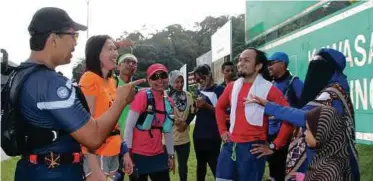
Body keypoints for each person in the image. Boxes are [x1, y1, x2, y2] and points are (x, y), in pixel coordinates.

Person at [14, 7, 142, 181]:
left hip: (35, 169)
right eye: (73, 35)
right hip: (54, 173)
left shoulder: (23, 73)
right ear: (53, 39)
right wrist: (121, 101)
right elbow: (93, 137)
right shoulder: (49, 83)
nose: (75, 42)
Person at [248, 48, 359, 181]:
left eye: (318, 65)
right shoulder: (335, 89)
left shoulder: (331, 95)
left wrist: (269, 106)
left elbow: (305, 118)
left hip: (326, 159)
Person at [215, 48, 294, 181]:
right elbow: (219, 107)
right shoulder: (232, 86)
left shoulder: (269, 88)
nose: (240, 63)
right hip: (230, 146)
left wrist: (274, 145)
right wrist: (222, 130)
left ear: (258, 66)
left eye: (246, 60)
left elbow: (289, 117)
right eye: (240, 60)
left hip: (253, 149)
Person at [79, 35, 125, 181]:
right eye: (110, 48)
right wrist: (94, 167)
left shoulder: (112, 81)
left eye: (115, 49)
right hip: (97, 154)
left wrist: (124, 151)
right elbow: (85, 125)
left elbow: (115, 120)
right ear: (97, 53)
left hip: (113, 151)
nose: (115, 53)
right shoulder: (89, 78)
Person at [124, 63, 175, 181]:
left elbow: (168, 131)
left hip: (158, 154)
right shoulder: (142, 97)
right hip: (138, 154)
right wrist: (128, 154)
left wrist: (171, 155)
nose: (160, 80)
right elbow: (129, 126)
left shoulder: (169, 102)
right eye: (155, 77)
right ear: (149, 80)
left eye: (163, 75)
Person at [267, 52, 304, 181]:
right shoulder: (270, 85)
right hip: (271, 135)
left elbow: (306, 107)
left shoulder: (295, 83)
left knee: (287, 172)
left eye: (271, 63)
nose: (269, 67)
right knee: (274, 171)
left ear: (282, 64)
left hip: (289, 137)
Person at [193, 64, 224, 181]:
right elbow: (198, 112)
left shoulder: (220, 90)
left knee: (215, 165)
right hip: (198, 134)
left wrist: (206, 105)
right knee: (200, 166)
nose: (199, 81)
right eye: (196, 79)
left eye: (201, 77)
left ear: (209, 75)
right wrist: (195, 108)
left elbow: (223, 113)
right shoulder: (199, 90)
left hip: (213, 135)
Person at [168, 70, 196, 181]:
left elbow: (193, 111)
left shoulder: (188, 95)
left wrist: (185, 123)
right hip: (168, 140)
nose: (180, 84)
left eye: (182, 81)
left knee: (183, 167)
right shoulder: (165, 96)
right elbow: (162, 113)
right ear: (171, 82)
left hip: (184, 140)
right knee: (166, 167)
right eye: (177, 82)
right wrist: (174, 120)